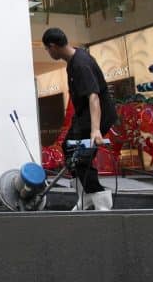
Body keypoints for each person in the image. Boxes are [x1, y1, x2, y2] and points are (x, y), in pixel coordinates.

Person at [42, 27, 117, 211]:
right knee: (69, 148)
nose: (48, 53)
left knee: (80, 155)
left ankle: (100, 198)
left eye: (47, 49)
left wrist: (95, 129)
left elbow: (94, 97)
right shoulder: (73, 60)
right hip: (83, 115)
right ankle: (86, 195)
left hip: (98, 115)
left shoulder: (81, 64)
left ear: (52, 46)